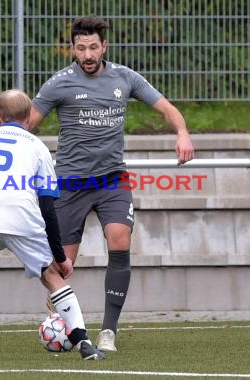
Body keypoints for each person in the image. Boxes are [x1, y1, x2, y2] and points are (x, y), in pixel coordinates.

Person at [29, 16, 195, 352]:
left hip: (112, 181)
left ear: (104, 47)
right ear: (73, 50)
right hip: (70, 183)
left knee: (119, 239)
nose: (87, 54)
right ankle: (58, 316)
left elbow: (166, 108)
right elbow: (28, 123)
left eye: (93, 47)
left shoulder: (125, 77)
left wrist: (182, 133)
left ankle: (108, 331)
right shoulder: (59, 83)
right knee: (63, 265)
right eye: (80, 48)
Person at [0, 89, 105, 362]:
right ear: (30, 116)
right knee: (50, 275)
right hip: (23, 217)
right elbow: (47, 206)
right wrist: (60, 257)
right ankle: (85, 345)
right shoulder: (37, 147)